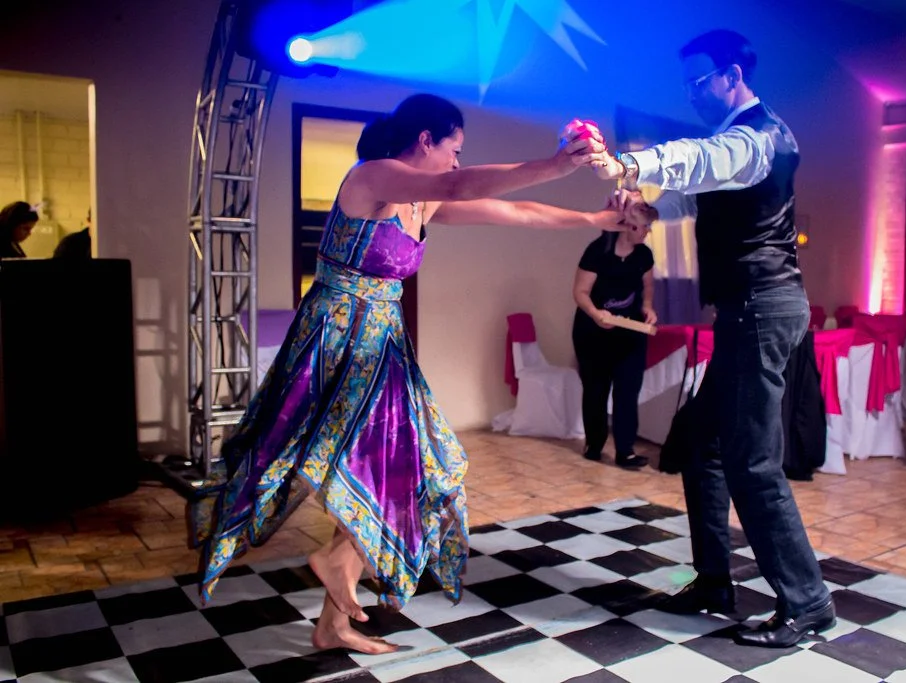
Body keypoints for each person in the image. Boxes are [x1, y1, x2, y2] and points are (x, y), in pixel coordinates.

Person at [187, 93, 623, 655]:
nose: (457, 163)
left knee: (410, 467)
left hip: (383, 345)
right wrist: (554, 166)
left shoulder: (421, 201)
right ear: (425, 140)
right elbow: (463, 187)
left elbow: (514, 212)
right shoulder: (373, 178)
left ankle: (332, 615)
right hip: (338, 340)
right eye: (455, 149)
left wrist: (591, 219)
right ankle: (338, 569)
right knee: (383, 463)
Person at [567, 29, 834, 647]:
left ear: (733, 74)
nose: (691, 93)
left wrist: (628, 163)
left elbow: (703, 161)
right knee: (697, 441)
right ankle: (715, 581)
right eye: (685, 83)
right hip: (749, 308)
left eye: (699, 81)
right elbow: (708, 197)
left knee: (752, 461)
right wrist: (647, 207)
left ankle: (808, 602)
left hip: (762, 307)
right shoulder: (739, 140)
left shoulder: (757, 135)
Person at [572, 224, 656, 469]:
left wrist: (647, 307)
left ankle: (625, 451)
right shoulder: (597, 252)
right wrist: (596, 314)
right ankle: (594, 445)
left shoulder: (644, 254)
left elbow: (647, 288)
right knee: (596, 389)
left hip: (630, 333)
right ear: (627, 226)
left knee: (628, 390)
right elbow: (580, 291)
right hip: (593, 333)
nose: (647, 231)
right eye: (644, 226)